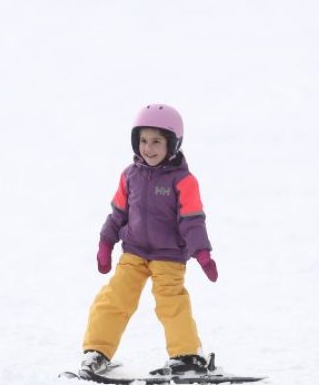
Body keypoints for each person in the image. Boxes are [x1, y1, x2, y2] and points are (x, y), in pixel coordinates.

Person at [79, 104, 219, 376]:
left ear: (173, 144)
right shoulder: (130, 176)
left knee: (171, 303)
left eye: (157, 141)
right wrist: (105, 243)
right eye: (143, 140)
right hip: (134, 252)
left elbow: (192, 220)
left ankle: (186, 356)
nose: (148, 148)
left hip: (169, 256)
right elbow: (117, 214)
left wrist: (201, 252)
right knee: (114, 299)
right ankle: (97, 351)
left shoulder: (184, 181)